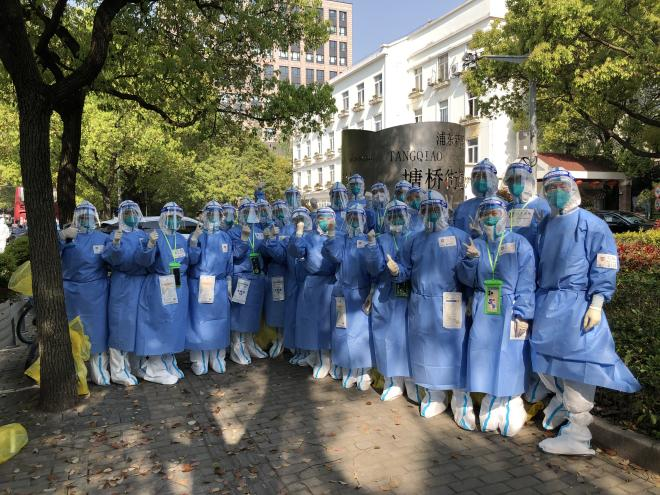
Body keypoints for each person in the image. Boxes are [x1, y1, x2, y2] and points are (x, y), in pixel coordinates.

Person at [531, 167, 640, 455]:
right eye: (550, 188)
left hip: (578, 306)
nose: (556, 192)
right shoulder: (546, 225)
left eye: (561, 186)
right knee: (547, 363)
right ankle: (565, 413)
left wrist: (597, 302)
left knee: (577, 367)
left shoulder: (592, 225)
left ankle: (578, 434)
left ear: (573, 189)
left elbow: (604, 263)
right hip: (548, 304)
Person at [456, 196, 536, 436]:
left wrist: (523, 314)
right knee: (484, 353)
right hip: (484, 306)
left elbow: (527, 281)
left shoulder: (519, 243)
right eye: (486, 214)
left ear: (504, 215)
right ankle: (491, 400)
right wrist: (470, 260)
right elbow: (466, 279)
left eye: (495, 213)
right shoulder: (477, 244)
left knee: (511, 355)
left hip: (510, 307)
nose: (490, 218)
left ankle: (511, 402)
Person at [391, 191, 471, 418]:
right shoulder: (414, 240)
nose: (431, 214)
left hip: (451, 301)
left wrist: (471, 295)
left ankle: (460, 397)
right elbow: (406, 270)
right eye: (426, 210)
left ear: (445, 210)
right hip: (422, 304)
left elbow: (468, 273)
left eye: (436, 209)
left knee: (454, 349)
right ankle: (435, 395)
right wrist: (396, 271)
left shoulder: (459, 237)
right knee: (427, 350)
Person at [503, 161, 552, 404]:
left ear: (531, 181)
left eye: (519, 179)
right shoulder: (508, 208)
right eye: (511, 180)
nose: (515, 184)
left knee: (531, 331)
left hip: (534, 279)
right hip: (508, 278)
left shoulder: (541, 207)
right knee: (512, 333)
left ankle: (536, 381)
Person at [134, 202, 196, 384]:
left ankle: (168, 360)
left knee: (175, 323)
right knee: (159, 324)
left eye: (178, 218)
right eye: (170, 217)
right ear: (163, 218)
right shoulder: (155, 236)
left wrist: (194, 243)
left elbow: (189, 261)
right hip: (159, 284)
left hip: (179, 285)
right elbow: (143, 261)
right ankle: (155, 366)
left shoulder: (181, 239)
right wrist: (150, 244)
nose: (174, 221)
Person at [365, 200, 418, 401]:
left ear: (407, 217)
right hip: (386, 294)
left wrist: (400, 272)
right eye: (392, 215)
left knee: (408, 339)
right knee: (387, 338)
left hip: (408, 295)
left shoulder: (414, 237)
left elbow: (418, 267)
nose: (396, 219)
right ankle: (392, 380)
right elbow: (374, 269)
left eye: (400, 215)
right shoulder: (382, 239)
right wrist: (372, 247)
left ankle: (411, 382)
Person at [59, 200, 110, 386]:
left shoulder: (103, 238)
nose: (86, 220)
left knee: (98, 332)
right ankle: (78, 373)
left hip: (98, 292)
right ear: (76, 218)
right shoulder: (69, 236)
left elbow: (114, 259)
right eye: (82, 217)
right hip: (73, 293)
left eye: (89, 217)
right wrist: (61, 237)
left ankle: (99, 371)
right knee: (75, 333)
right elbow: (49, 255)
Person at [323, 204, 373, 390]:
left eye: (357, 218)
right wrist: (331, 237)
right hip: (343, 293)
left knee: (362, 334)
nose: (354, 221)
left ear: (364, 220)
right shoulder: (342, 239)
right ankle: (349, 369)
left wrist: (372, 290)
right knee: (343, 333)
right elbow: (334, 256)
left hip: (361, 293)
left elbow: (374, 268)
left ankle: (364, 370)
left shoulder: (368, 241)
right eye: (350, 217)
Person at [186, 201, 238, 375]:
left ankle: (217, 357)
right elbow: (191, 260)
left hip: (220, 286)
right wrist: (194, 241)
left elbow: (229, 262)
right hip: (200, 284)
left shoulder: (225, 237)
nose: (214, 218)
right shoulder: (197, 235)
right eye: (210, 214)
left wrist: (229, 282)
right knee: (200, 323)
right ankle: (199, 359)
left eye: (217, 215)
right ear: (204, 216)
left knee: (219, 322)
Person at [288, 207, 338, 378]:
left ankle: (326, 359)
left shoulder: (338, 236)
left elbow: (338, 257)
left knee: (326, 323)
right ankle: (314, 354)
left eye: (328, 218)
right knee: (310, 322)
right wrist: (298, 234)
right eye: (321, 218)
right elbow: (296, 252)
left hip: (329, 283)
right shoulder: (310, 237)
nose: (324, 221)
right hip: (311, 282)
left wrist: (332, 238)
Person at [102, 200, 147, 386]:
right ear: (121, 216)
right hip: (122, 284)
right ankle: (118, 370)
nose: (131, 216)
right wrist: (115, 244)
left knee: (139, 326)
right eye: (127, 213)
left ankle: (136, 366)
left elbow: (150, 259)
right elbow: (110, 259)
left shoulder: (143, 235)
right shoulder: (114, 235)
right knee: (121, 327)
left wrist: (151, 247)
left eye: (134, 212)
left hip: (141, 283)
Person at [229, 200, 269, 364]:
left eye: (253, 212)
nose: (250, 215)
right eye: (246, 212)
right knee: (240, 313)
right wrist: (244, 239)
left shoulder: (259, 231)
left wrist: (269, 240)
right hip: (242, 276)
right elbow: (235, 255)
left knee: (253, 313)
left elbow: (264, 253)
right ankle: (237, 345)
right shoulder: (233, 232)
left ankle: (249, 342)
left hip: (257, 276)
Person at [262, 199, 288, 358]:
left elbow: (284, 257)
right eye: (276, 211)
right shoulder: (270, 228)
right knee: (275, 309)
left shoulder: (291, 229)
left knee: (285, 308)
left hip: (286, 274)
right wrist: (267, 241)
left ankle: (285, 338)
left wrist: (272, 242)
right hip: (273, 274)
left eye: (282, 210)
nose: (279, 214)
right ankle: (278, 338)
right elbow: (264, 255)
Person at [453, 158, 499, 238]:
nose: (480, 180)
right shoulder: (462, 207)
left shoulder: (502, 206)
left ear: (493, 179)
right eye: (476, 177)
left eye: (484, 176)